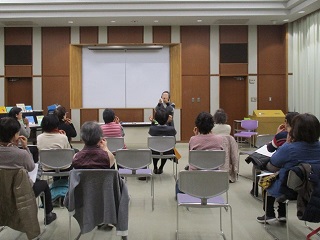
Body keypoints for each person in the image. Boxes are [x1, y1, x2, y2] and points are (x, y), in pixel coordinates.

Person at [257, 113, 320, 223]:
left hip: (290, 190)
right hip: (314, 189)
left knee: (266, 180)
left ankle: (269, 214)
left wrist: (286, 143)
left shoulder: (289, 147)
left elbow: (272, 165)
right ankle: (282, 215)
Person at [0, 117, 57, 224]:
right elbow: (31, 167)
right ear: (14, 136)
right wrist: (25, 148)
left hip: (2, 192)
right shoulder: (21, 154)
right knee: (43, 183)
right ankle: (48, 215)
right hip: (21, 192)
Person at [149, 109, 176, 174]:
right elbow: (173, 131)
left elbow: (156, 125)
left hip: (154, 151)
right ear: (167, 118)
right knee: (166, 147)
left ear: (156, 118)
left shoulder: (152, 129)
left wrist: (153, 121)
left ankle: (155, 167)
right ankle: (161, 167)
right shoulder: (171, 129)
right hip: (167, 151)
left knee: (154, 147)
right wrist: (170, 122)